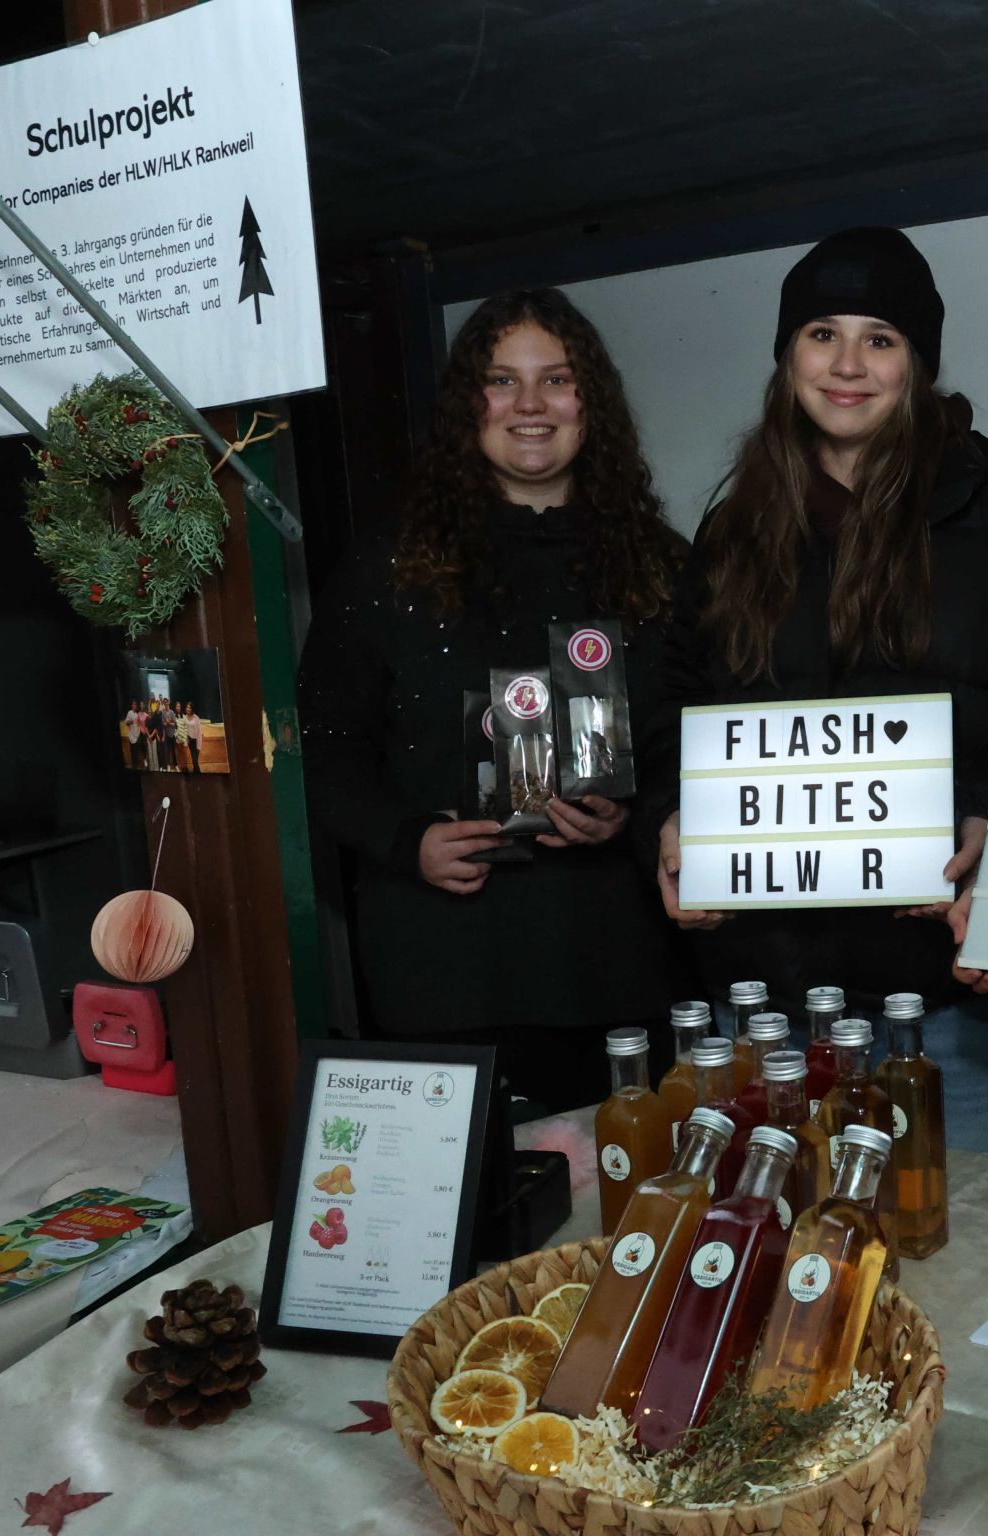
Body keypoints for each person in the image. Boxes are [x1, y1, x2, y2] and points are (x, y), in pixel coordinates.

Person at [643, 226, 988, 1155]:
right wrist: (668, 819)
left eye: (882, 338)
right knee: (778, 1268)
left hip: (940, 1000)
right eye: (823, 333)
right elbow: (675, 701)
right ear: (788, 356)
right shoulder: (731, 528)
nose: (849, 364)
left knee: (963, 1259)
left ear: (919, 364)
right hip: (763, 1000)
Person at [299, 288, 693, 1109]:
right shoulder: (388, 568)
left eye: (556, 379)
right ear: (466, 405)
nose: (530, 405)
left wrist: (639, 815)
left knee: (624, 1217)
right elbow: (325, 745)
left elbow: (683, 739)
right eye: (502, 381)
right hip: (443, 976)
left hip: (612, 971)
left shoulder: (660, 566)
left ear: (592, 403)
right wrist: (407, 841)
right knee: (474, 1228)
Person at [123, 700, 146, 770]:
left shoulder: (136, 714)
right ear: (131, 705)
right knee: (133, 753)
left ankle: (138, 766)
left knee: (137, 752)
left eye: (135, 704)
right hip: (131, 737)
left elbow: (138, 724)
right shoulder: (129, 712)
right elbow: (126, 722)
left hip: (137, 735)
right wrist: (131, 721)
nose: (134, 705)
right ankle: (134, 767)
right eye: (133, 704)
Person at [181, 702, 202, 772]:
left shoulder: (196, 718)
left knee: (195, 760)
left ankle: (198, 774)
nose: (188, 709)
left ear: (192, 709)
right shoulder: (184, 717)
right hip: (189, 741)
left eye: (189, 707)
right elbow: (184, 728)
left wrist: (199, 746)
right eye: (187, 707)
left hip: (195, 741)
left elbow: (199, 733)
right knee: (194, 760)